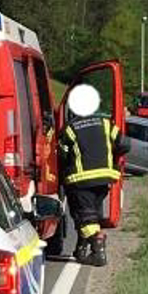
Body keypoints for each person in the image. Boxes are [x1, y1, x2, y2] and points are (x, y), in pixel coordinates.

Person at [59, 83, 130, 266]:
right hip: (104, 179)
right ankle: (81, 250)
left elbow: (62, 155)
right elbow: (124, 144)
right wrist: (113, 161)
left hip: (81, 180)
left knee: (85, 216)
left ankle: (98, 248)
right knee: (90, 216)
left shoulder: (69, 129)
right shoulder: (106, 124)